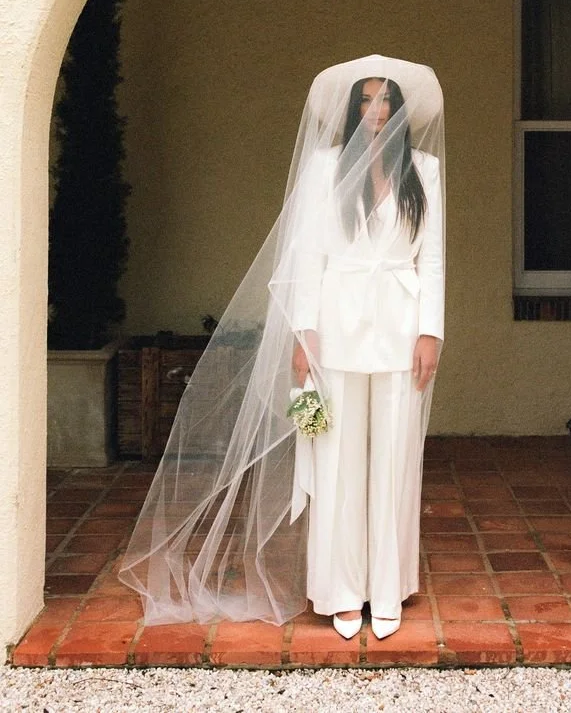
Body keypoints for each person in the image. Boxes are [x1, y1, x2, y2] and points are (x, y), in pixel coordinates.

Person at [119, 54, 445, 643]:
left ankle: (388, 585)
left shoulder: (424, 168)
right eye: (366, 101)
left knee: (394, 460)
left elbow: (435, 258)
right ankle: (342, 589)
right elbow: (303, 258)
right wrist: (304, 330)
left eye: (386, 101)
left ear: (400, 109)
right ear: (352, 111)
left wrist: (431, 331)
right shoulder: (325, 169)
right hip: (335, 332)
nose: (376, 111)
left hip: (401, 331)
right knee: (337, 458)